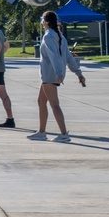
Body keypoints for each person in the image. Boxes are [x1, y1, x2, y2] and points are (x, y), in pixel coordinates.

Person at [28, 10, 86, 143]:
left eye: (43, 20)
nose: (42, 22)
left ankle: (64, 134)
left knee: (55, 105)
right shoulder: (60, 36)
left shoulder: (48, 36)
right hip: (50, 75)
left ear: (47, 22)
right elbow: (69, 57)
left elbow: (54, 55)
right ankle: (41, 132)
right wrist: (78, 73)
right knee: (41, 101)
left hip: (50, 75)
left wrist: (59, 73)